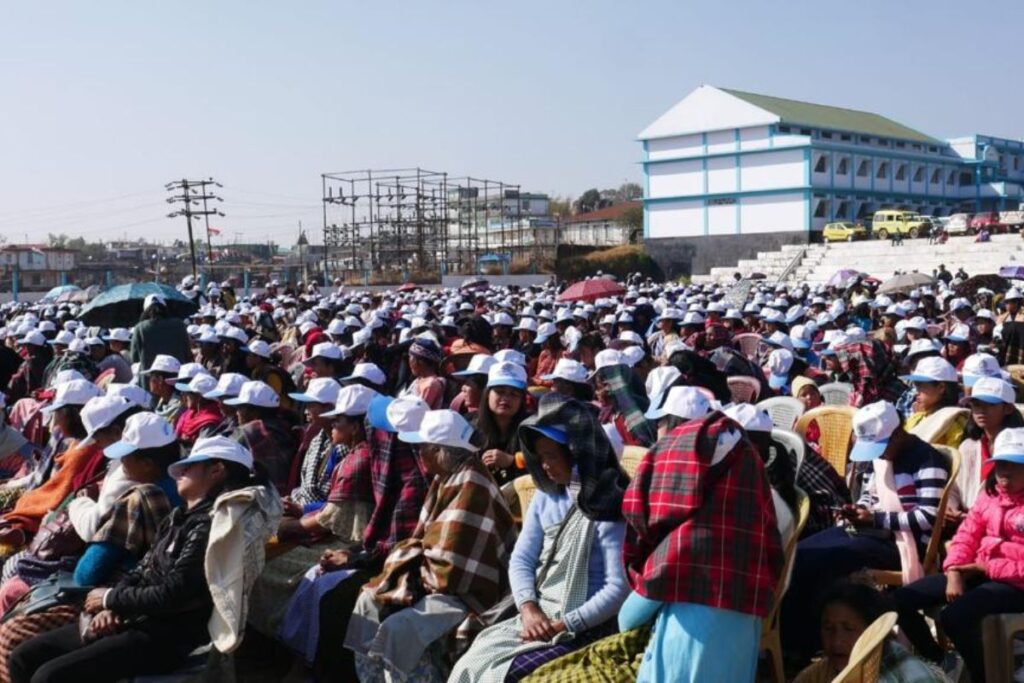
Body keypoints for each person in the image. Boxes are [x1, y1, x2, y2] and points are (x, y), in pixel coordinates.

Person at [7, 436, 265, 683]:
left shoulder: (210, 525)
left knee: (49, 677)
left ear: (216, 471)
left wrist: (111, 599)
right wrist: (112, 606)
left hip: (165, 633)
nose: (178, 472)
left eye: (189, 467)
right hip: (136, 615)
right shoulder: (180, 515)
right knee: (23, 657)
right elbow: (144, 568)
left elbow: (174, 593)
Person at [449, 394, 630, 682]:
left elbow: (617, 588)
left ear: (576, 454)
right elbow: (522, 558)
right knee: (472, 661)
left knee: (504, 675)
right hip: (540, 614)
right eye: (540, 456)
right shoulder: (547, 497)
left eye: (551, 456)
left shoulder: (607, 504)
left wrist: (564, 624)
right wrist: (529, 608)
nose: (544, 465)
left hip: (587, 625)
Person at [0, 412, 180, 683]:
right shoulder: (181, 488)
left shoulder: (140, 497)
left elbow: (89, 572)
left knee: (10, 637)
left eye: (127, 456)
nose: (121, 462)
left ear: (147, 463)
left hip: (113, 595)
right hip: (132, 593)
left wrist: (79, 507)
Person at [343, 410, 517, 683]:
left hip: (472, 593)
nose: (419, 453)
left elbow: (450, 570)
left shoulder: (472, 485)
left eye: (423, 447)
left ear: (440, 451)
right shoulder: (446, 477)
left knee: (401, 627)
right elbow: (429, 544)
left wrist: (406, 565)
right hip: (437, 579)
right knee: (368, 600)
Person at [782, 401, 950, 663]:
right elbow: (871, 497)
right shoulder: (883, 458)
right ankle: (793, 640)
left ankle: (804, 646)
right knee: (801, 554)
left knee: (827, 562)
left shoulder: (927, 461)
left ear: (897, 434)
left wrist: (876, 518)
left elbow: (927, 517)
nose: (879, 455)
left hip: (902, 545)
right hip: (873, 532)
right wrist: (857, 510)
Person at [892, 427, 1024, 682]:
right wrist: (954, 570)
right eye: (1000, 464)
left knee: (956, 615)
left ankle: (988, 676)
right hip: (980, 569)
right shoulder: (990, 495)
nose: (1004, 471)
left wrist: (988, 568)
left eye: (1014, 465)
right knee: (900, 599)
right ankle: (940, 661)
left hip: (1016, 583)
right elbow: (967, 534)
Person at [793, 581, 944, 683]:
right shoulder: (816, 675)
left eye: (849, 629)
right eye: (828, 629)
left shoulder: (907, 674)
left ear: (873, 632)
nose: (837, 641)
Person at [951, 376, 1023, 515]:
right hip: (967, 522)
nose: (981, 410)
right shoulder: (968, 447)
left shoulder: (1020, 449)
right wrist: (950, 507)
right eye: (976, 404)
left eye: (990, 404)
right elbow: (955, 486)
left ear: (1008, 408)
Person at [225, 381, 298, 495]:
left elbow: (223, 455)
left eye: (240, 408)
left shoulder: (249, 432)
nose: (237, 413)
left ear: (254, 412)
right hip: (281, 497)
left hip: (258, 499)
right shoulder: (287, 429)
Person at [473, 362, 531, 487]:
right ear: (488, 394)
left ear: (522, 400)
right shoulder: (470, 427)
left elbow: (544, 460)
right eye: (500, 391)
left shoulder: (532, 428)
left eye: (514, 394)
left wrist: (513, 460)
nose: (506, 398)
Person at [901, 356, 967, 448]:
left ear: (941, 388)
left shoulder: (954, 423)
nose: (916, 392)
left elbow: (954, 458)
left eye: (920, 385)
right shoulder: (916, 418)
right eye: (916, 385)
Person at [129, 294, 191, 382]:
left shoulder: (140, 328)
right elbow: (187, 353)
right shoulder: (179, 325)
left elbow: (134, 358)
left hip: (150, 382)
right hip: (177, 379)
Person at [171, 373, 220, 448]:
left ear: (198, 397)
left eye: (189, 393)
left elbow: (202, 448)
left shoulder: (210, 422)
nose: (186, 396)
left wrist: (186, 444)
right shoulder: (187, 414)